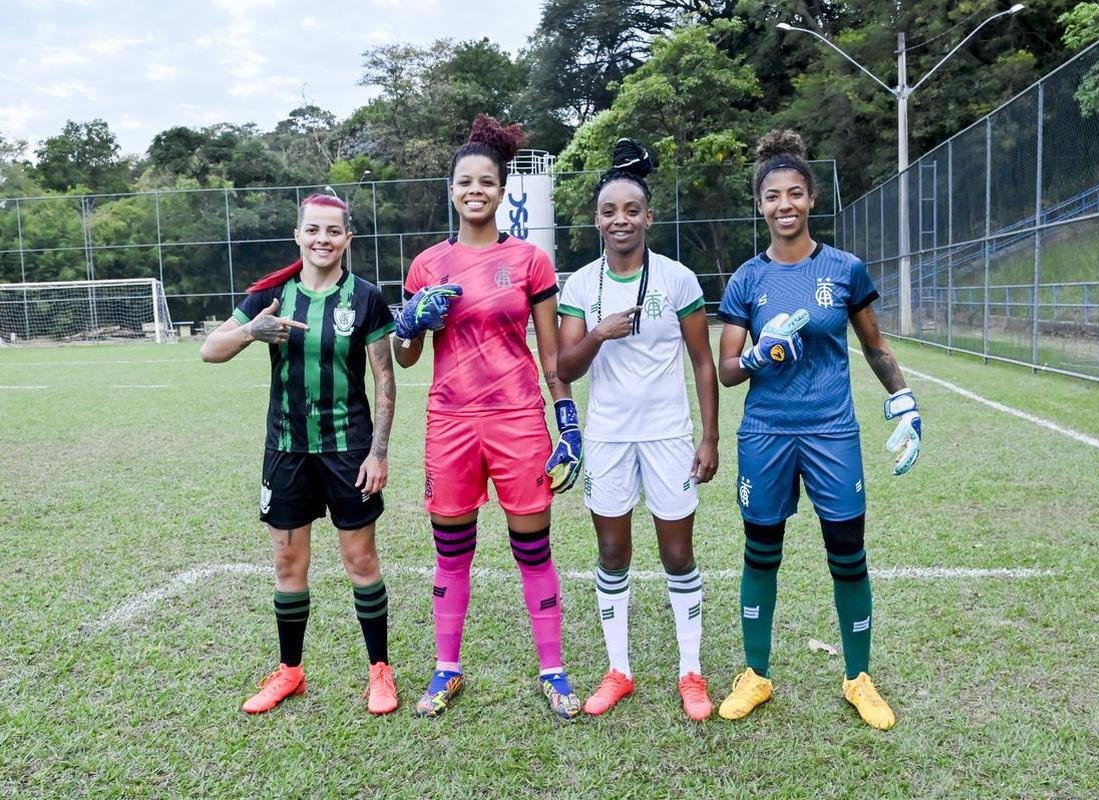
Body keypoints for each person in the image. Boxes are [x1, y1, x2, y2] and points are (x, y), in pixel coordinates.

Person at [714, 131, 922, 730]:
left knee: (848, 556)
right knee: (761, 554)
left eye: (796, 193)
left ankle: (858, 677)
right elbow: (729, 368)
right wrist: (759, 355)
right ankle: (755, 674)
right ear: (761, 204)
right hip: (766, 432)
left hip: (832, 430)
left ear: (811, 199)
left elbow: (875, 346)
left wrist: (904, 399)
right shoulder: (747, 281)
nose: (785, 204)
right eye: (774, 195)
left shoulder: (844, 269)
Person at [392, 114, 583, 721]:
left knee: (534, 549)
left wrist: (567, 421)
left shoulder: (530, 260)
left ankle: (552, 671)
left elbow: (551, 353)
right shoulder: (426, 266)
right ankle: (447, 668)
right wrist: (409, 322)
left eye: (487, 182)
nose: (476, 191)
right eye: (465, 182)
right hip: (449, 422)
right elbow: (408, 354)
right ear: (451, 190)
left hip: (518, 419)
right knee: (452, 551)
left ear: (503, 191)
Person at [200, 192, 399, 715]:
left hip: (348, 449)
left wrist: (377, 452)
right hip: (286, 448)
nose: (322, 240)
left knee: (361, 559)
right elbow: (209, 351)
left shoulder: (366, 299)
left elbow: (384, 379)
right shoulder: (270, 295)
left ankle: (380, 670)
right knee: (289, 562)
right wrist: (250, 331)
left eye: (333, 231)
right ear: (298, 235)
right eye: (313, 230)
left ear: (347, 239)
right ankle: (290, 671)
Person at [556, 138, 719, 721]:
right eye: (608, 211)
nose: (619, 220)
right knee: (612, 550)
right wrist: (597, 334)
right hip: (607, 438)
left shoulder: (677, 279)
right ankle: (618, 669)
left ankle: (690, 672)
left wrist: (708, 436)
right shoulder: (579, 285)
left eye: (631, 210)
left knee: (678, 553)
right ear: (596, 220)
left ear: (648, 217)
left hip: (669, 436)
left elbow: (703, 360)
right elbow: (563, 368)